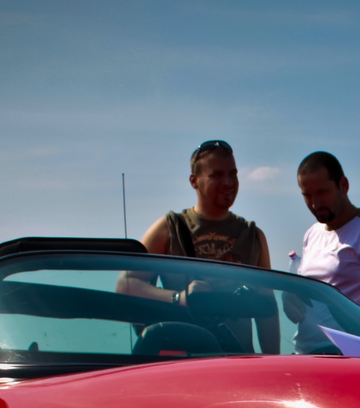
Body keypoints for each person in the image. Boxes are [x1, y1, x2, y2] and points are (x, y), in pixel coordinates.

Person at [118, 139, 277, 352]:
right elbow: (126, 285)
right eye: (217, 175)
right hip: (185, 365)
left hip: (239, 363)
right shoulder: (170, 228)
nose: (228, 182)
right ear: (194, 181)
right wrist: (179, 298)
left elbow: (267, 309)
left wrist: (273, 363)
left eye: (233, 174)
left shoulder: (253, 236)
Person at [295, 151, 360, 325]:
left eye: (322, 192)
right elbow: (299, 309)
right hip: (304, 350)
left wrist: (356, 349)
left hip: (346, 351)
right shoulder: (311, 234)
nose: (315, 203)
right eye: (307, 195)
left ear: (343, 185)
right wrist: (291, 302)